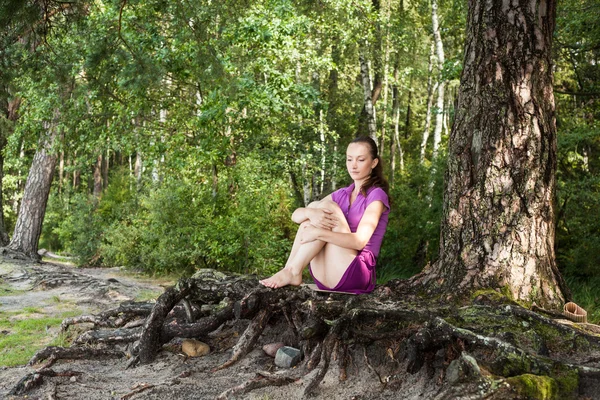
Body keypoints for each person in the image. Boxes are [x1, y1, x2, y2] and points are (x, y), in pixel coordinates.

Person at [259, 136, 390, 294]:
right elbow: (296, 216)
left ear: (374, 163)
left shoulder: (376, 195)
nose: (353, 166)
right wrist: (310, 213)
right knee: (314, 208)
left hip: (356, 274)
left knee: (325, 207)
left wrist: (318, 232)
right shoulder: (342, 194)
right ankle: (291, 269)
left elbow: (359, 242)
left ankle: (292, 271)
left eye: (361, 160)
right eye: (349, 159)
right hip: (327, 275)